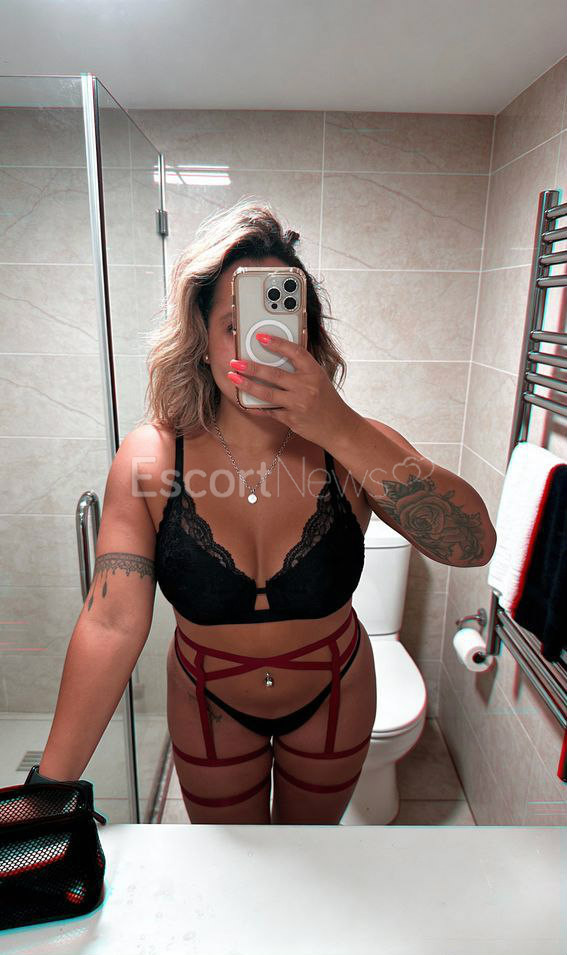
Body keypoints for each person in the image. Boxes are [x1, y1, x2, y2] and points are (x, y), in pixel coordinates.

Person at [39, 197, 378, 824]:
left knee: (312, 864)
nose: (267, 346)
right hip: (208, 701)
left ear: (310, 337)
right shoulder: (150, 458)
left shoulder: (354, 446)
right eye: (238, 327)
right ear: (202, 342)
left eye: (285, 326)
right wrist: (47, 790)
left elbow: (473, 545)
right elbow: (111, 622)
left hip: (335, 690)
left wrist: (342, 426)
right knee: (231, 872)